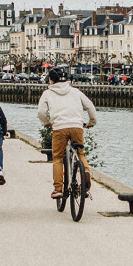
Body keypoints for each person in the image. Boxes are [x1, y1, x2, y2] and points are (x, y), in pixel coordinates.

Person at [35, 66, 96, 200]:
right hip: (77, 126)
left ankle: (58, 189)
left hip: (59, 128)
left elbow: (41, 112)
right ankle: (85, 172)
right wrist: (91, 122)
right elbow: (90, 106)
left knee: (57, 157)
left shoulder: (47, 93)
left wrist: (47, 123)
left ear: (51, 80)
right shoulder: (75, 91)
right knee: (80, 153)